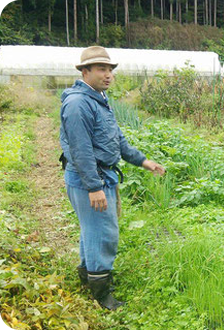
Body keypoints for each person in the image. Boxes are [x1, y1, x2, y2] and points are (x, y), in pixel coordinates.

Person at [59, 46, 165, 310]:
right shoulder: (78, 104)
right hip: (90, 180)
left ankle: (88, 275)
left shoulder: (98, 98)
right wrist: (94, 187)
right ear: (85, 72)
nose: (108, 75)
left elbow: (116, 139)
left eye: (110, 70)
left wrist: (143, 160)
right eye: (101, 69)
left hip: (100, 176)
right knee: (102, 233)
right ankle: (100, 292)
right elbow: (80, 149)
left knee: (92, 231)